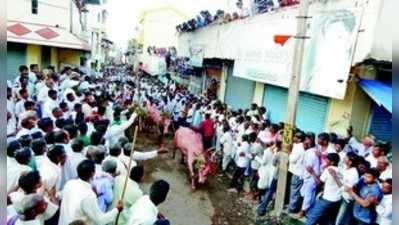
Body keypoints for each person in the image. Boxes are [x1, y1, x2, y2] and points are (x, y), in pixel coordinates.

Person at [59, 160, 124, 225]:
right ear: (93, 173)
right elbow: (100, 220)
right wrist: (117, 210)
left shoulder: (70, 183)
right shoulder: (89, 195)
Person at [305, 153, 342, 225]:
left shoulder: (328, 170)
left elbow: (318, 183)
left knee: (312, 217)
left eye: (327, 159)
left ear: (332, 162)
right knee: (329, 220)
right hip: (337, 200)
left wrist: (312, 172)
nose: (325, 160)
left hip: (327, 199)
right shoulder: (341, 170)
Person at [288, 131, 305, 213]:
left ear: (299, 139)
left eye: (295, 136)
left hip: (297, 173)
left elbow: (292, 159)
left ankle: (292, 208)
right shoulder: (299, 146)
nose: (293, 138)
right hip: (298, 172)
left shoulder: (299, 148)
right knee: (295, 191)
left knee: (294, 192)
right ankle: (293, 207)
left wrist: (289, 152)